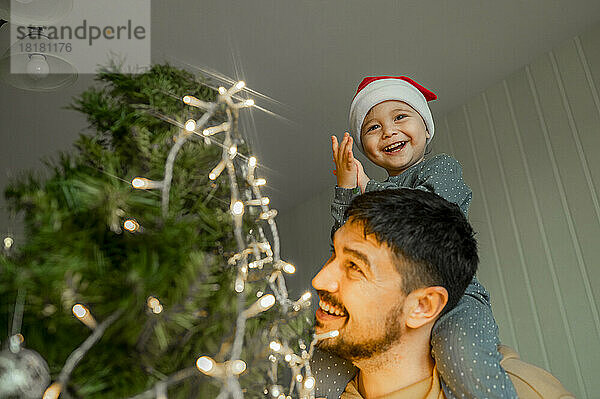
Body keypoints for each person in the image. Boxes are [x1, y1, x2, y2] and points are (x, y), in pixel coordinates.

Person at [328, 76, 516, 399]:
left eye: (400, 117)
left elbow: (424, 213)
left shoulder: (441, 168)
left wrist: (367, 187)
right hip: (392, 310)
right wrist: (346, 189)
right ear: (365, 148)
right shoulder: (367, 197)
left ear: (426, 128)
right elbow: (344, 246)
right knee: (326, 353)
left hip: (451, 299)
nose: (388, 131)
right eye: (373, 127)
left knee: (463, 356)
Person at [312, 189, 573, 399]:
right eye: (334, 254)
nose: (319, 280)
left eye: (355, 267)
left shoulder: (526, 391)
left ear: (423, 306)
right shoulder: (312, 387)